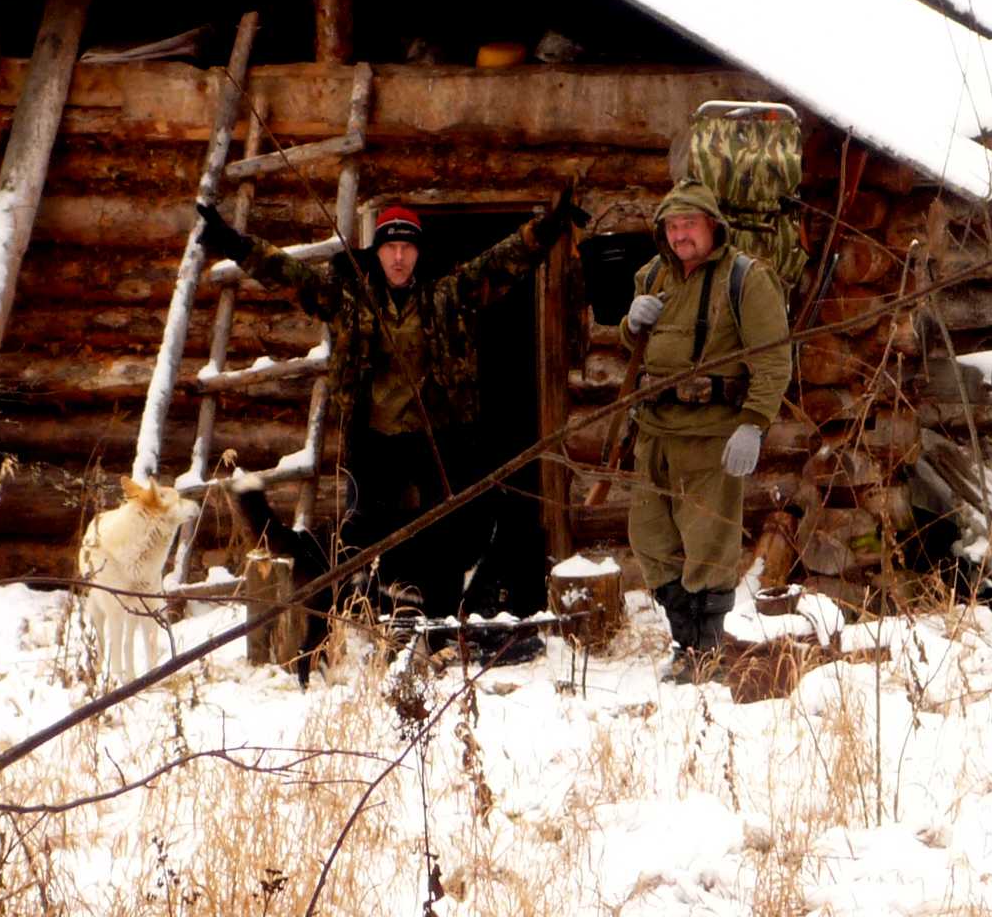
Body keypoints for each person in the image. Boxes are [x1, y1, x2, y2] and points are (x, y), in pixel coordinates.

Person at [194, 190, 581, 620]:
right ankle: (369, 619)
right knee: (364, 535)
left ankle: (440, 620)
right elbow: (288, 275)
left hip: (435, 436)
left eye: (406, 248)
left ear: (417, 252)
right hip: (374, 439)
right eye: (390, 248)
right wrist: (231, 243)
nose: (398, 258)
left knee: (447, 531)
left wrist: (544, 229)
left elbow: (500, 261)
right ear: (377, 252)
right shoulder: (350, 298)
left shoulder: (445, 294)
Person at [620, 178, 791, 684]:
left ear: (713, 226)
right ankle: (687, 642)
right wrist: (631, 323)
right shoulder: (651, 276)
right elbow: (632, 349)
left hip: (713, 435)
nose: (680, 235)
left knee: (708, 547)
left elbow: (773, 359)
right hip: (655, 431)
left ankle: (706, 656)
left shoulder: (746, 278)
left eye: (688, 224)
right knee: (649, 539)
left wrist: (754, 425)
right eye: (672, 226)